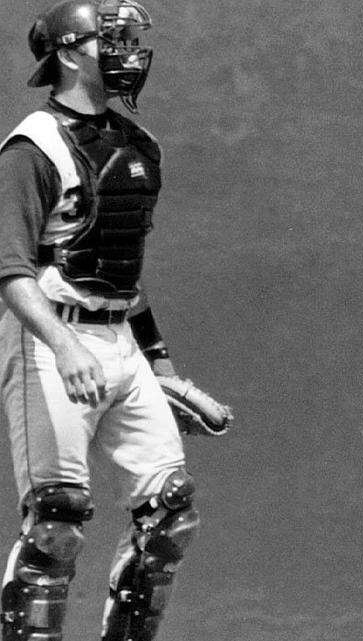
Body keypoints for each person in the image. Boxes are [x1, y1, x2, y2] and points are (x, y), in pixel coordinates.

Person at [0, 2, 198, 640]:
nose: (128, 51)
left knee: (170, 514)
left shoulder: (138, 145)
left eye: (132, 39)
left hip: (119, 343)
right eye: (110, 38)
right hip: (48, 339)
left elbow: (120, 274)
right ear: (65, 53)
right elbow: (8, 270)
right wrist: (63, 347)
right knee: (57, 522)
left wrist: (164, 369)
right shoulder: (34, 146)